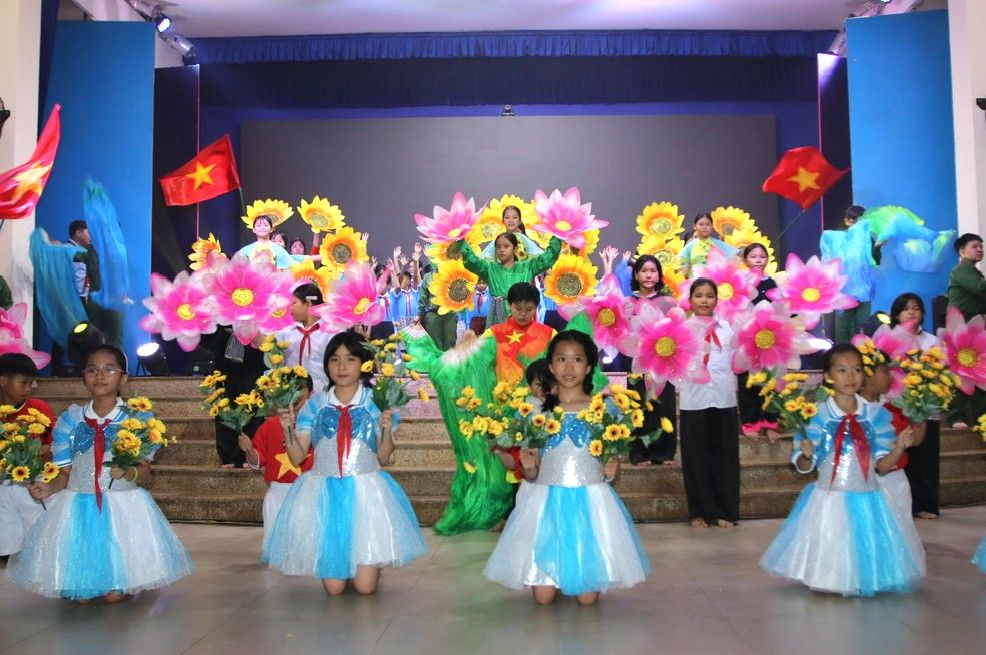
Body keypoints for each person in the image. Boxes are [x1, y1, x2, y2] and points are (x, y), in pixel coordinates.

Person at [8, 345, 193, 601]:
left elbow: (145, 471)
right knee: (80, 594)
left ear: (123, 377)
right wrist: (49, 488)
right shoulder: (71, 421)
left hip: (121, 506)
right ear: (83, 376)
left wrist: (129, 472)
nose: (100, 376)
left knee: (113, 596)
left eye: (109, 369)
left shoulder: (137, 420)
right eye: (92, 370)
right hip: (79, 505)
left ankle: (124, 579)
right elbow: (65, 474)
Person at [483, 330, 651, 605]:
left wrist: (611, 470)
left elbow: (608, 468)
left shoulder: (604, 409)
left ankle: (580, 568)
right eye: (561, 359)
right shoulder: (536, 411)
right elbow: (532, 474)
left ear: (588, 367)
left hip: (589, 499)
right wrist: (528, 468)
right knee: (543, 599)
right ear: (551, 365)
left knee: (587, 599)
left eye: (577, 360)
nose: (569, 367)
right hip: (546, 500)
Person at [263, 331, 426, 595]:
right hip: (324, 493)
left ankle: (371, 565)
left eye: (350, 359)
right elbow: (296, 457)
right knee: (335, 589)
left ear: (363, 364)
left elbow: (384, 457)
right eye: (334, 359)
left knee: (364, 588)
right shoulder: (314, 407)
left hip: (366, 491)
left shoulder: (376, 403)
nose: (341, 366)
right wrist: (287, 430)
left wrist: (385, 429)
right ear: (326, 364)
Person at [759, 344, 925, 596]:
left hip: (869, 496)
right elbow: (804, 466)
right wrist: (805, 454)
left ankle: (863, 577)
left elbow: (881, 467)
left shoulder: (875, 415)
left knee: (864, 544)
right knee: (833, 542)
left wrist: (899, 448)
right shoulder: (815, 415)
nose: (850, 377)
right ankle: (832, 578)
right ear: (828, 376)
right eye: (842, 370)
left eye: (857, 370)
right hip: (829, 498)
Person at [402, 283, 556, 535]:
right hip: (503, 410)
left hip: (539, 411)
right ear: (509, 306)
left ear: (537, 308)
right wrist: (466, 345)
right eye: (518, 308)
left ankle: (536, 515)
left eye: (529, 309)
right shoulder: (495, 333)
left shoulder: (549, 334)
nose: (523, 314)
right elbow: (472, 361)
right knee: (506, 465)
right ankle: (505, 514)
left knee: (534, 462)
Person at [601, 248, 677, 465]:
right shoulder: (627, 302)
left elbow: (676, 330)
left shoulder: (668, 302)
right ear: (635, 275)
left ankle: (665, 451)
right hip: (635, 361)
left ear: (659, 275)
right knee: (637, 404)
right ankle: (639, 452)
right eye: (644, 270)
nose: (649, 275)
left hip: (662, 361)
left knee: (663, 404)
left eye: (653, 271)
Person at [676, 278, 740, 529]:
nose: (704, 300)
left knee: (725, 455)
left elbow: (738, 360)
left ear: (716, 299)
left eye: (709, 296)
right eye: (699, 295)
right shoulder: (682, 329)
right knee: (695, 457)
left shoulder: (728, 329)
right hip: (694, 400)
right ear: (690, 300)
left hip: (723, 398)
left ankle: (725, 511)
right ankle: (698, 512)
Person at [858, 349, 926, 547]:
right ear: (868, 374)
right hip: (866, 480)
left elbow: (916, 440)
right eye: (885, 371)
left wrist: (921, 412)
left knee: (899, 531)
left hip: (896, 480)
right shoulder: (853, 409)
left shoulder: (894, 407)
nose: (890, 377)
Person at [238, 376, 314, 546]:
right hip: (278, 493)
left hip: (309, 493)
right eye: (290, 388)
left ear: (311, 393)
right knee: (277, 549)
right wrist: (249, 450)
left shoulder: (318, 424)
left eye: (300, 388)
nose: (295, 394)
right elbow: (258, 463)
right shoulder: (268, 427)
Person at [890, 292, 942, 519]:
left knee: (926, 457)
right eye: (906, 308)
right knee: (902, 457)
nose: (911, 312)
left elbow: (940, 371)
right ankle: (904, 505)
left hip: (925, 407)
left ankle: (927, 505)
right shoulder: (888, 338)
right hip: (896, 406)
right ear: (897, 314)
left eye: (916, 308)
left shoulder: (931, 341)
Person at [0, 354, 55, 561]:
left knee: (33, 508)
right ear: (3, 381)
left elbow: (52, 443)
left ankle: (39, 547)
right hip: (4, 477)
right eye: (24, 382)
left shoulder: (38, 408)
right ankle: (7, 550)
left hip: (35, 474)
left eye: (31, 383)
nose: (29, 388)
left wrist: (44, 449)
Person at [459, 232, 562, 326]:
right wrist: (459, 239)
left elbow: (547, 258)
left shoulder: (527, 267)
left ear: (515, 248)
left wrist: (558, 235)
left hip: (522, 316)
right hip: (497, 318)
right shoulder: (489, 269)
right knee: (498, 344)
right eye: (498, 247)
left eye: (506, 246)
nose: (502, 250)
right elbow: (472, 261)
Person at [737, 243, 780, 441]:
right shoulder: (741, 282)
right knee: (748, 382)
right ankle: (751, 422)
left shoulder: (772, 282)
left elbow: (781, 308)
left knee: (770, 380)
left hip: (769, 340)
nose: (758, 259)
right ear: (745, 260)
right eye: (753, 256)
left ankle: (771, 422)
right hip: (747, 339)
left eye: (762, 256)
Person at [946, 233, 986, 428]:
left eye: (981, 246)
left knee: (980, 372)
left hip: (974, 329)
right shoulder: (962, 269)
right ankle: (957, 416)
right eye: (974, 246)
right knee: (960, 372)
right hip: (961, 328)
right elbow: (979, 290)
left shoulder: (974, 272)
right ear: (962, 251)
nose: (980, 249)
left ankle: (981, 416)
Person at [826, 205, 882, 343]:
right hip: (843, 289)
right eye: (855, 221)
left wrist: (876, 248)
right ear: (847, 221)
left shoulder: (869, 240)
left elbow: (876, 261)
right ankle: (843, 358)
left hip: (863, 289)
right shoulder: (839, 239)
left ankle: (863, 358)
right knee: (843, 329)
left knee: (862, 327)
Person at [275, 283, 332, 394]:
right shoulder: (288, 331)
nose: (290, 308)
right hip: (290, 395)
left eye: (294, 303)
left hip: (321, 396)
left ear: (308, 304)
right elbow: (266, 345)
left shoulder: (330, 332)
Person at [678, 213, 737, 278]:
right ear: (694, 226)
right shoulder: (689, 247)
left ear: (712, 226)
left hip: (715, 284)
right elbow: (683, 271)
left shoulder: (720, 245)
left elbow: (733, 266)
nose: (704, 227)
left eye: (708, 224)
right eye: (701, 224)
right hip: (695, 284)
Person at [479, 205, 544, 261]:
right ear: (503, 221)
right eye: (507, 217)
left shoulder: (523, 239)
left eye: (514, 217)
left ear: (520, 221)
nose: (510, 220)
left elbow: (537, 254)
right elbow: (485, 257)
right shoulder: (499, 240)